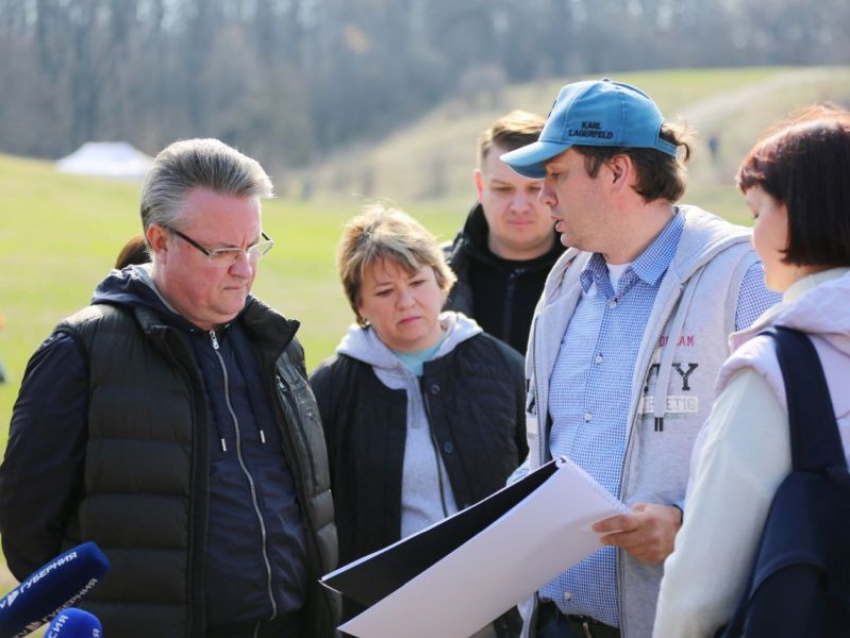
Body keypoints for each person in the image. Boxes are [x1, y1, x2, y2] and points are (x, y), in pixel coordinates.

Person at [0, 138, 338, 638]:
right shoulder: (82, 351)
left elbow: (311, 508)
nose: (244, 268)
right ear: (159, 241)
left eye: (252, 245)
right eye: (223, 250)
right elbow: (30, 534)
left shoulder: (278, 346)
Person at [499, 79, 781, 638]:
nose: (542, 195)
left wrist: (687, 529)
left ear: (618, 172)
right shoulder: (563, 286)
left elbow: (796, 463)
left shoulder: (742, 279)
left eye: (556, 174)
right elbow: (546, 453)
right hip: (551, 624)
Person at [653, 105, 850, 637]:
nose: (753, 235)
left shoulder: (777, 368)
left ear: (801, 214)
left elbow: (699, 592)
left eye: (758, 212)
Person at [310, 205, 528, 638]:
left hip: (496, 610)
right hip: (384, 617)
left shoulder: (502, 366)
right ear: (360, 303)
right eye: (386, 291)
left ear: (442, 281)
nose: (407, 301)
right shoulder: (331, 388)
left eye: (417, 282)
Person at [444, 110, 565, 353]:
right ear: (480, 186)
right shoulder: (431, 275)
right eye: (503, 189)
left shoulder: (596, 276)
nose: (519, 207)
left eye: (534, 189)